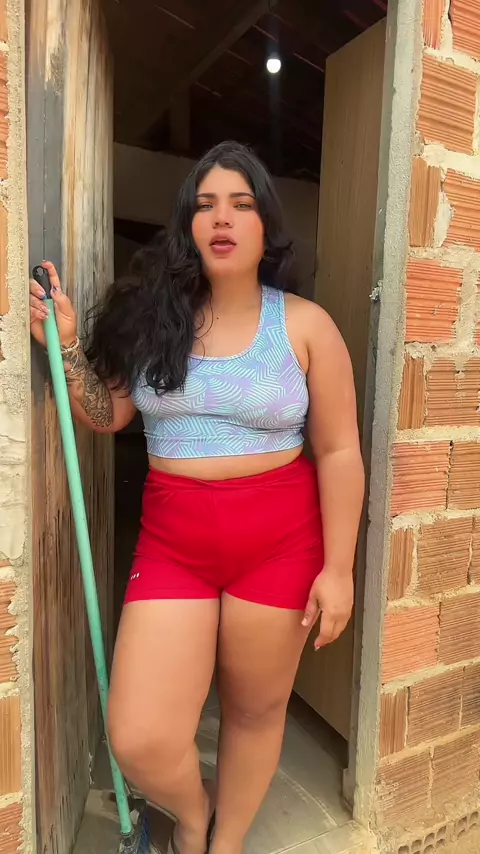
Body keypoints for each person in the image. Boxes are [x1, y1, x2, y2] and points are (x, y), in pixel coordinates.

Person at [29, 141, 364, 854]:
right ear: (187, 225)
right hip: (174, 544)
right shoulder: (155, 321)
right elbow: (108, 414)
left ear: (266, 226)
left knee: (254, 710)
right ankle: (192, 812)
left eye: (241, 204)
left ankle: (223, 842)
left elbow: (339, 452)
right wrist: (67, 348)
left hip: (280, 545)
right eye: (206, 205)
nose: (222, 218)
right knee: (139, 735)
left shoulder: (306, 325)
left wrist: (339, 569)